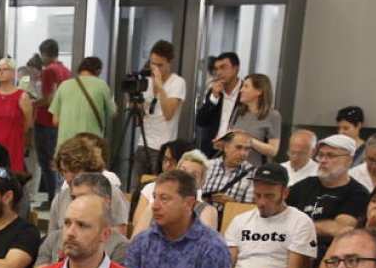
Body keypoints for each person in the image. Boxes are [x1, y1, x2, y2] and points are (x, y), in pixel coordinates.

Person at [224, 164, 317, 268]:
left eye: (269, 196)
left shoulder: (301, 222)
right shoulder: (240, 220)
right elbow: (227, 265)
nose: (262, 202)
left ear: (285, 193)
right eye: (258, 195)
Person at [286, 134, 371, 268]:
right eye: (321, 155)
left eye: (331, 156)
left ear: (348, 160)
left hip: (326, 256)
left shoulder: (358, 193)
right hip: (291, 248)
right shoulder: (305, 185)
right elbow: (280, 215)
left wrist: (298, 227)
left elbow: (340, 228)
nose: (323, 161)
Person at [130, 40, 187, 186]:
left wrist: (160, 86)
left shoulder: (178, 82)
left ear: (169, 63)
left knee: (158, 188)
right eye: (152, 63)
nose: (155, 68)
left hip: (162, 147)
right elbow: (138, 121)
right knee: (136, 187)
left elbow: (168, 114)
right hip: (143, 143)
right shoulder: (146, 82)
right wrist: (133, 99)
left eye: (160, 65)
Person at [131, 146, 218, 239]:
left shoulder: (207, 212)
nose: (185, 177)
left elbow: (204, 248)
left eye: (193, 175)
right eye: (182, 171)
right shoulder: (153, 208)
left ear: (202, 183)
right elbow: (135, 243)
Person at [49, 56, 117, 153]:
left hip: (65, 147)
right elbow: (112, 113)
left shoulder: (64, 85)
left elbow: (55, 121)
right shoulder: (102, 85)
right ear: (98, 71)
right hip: (90, 147)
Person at [34, 38, 72, 196]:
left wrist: (33, 103)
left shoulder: (49, 70)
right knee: (55, 160)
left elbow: (48, 99)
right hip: (59, 121)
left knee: (47, 161)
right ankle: (56, 195)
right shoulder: (65, 70)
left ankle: (51, 196)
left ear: (44, 54)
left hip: (45, 120)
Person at [0, 57, 33, 174]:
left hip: (13, 141)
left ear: (13, 73)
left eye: (5, 69)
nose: (1, 72)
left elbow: (28, 123)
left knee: (10, 175)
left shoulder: (22, 96)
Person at [227, 73, 281, 166]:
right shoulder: (238, 112)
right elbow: (231, 137)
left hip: (254, 169)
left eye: (246, 87)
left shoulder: (273, 116)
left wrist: (247, 139)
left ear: (259, 91)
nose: (241, 90)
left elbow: (273, 151)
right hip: (233, 166)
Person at [194, 52, 242, 156]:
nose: (219, 72)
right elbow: (201, 121)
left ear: (235, 69)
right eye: (217, 69)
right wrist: (213, 97)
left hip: (236, 151)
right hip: (213, 150)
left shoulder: (245, 92)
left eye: (223, 68)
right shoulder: (215, 91)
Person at [205, 129, 256, 205]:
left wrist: (231, 204)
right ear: (226, 147)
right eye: (238, 147)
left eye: (247, 149)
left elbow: (250, 211)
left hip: (233, 216)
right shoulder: (207, 166)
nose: (243, 153)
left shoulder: (253, 173)